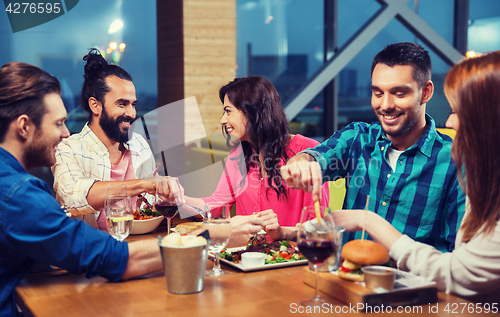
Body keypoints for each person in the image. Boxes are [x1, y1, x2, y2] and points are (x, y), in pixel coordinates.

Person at [332, 50, 500, 302]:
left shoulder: (457, 163)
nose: (450, 121)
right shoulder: (485, 179)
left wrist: (370, 221)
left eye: (457, 110)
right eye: (377, 92)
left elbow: (460, 274)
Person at [0, 62, 162, 317]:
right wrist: (205, 238)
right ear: (24, 127)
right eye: (58, 123)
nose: (66, 133)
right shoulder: (18, 193)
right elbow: (113, 258)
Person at [281, 42, 465, 252]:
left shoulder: (456, 161)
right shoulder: (358, 137)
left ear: (426, 92)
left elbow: (457, 256)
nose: (385, 105)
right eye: (378, 93)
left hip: (411, 284)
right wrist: (301, 164)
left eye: (399, 93)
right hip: (346, 280)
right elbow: (316, 157)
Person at [185, 76, 329, 243]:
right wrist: (177, 200)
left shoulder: (307, 152)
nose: (222, 120)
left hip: (290, 260)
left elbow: (319, 226)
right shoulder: (239, 154)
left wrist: (283, 232)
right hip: (246, 258)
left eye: (228, 111)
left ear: (251, 111)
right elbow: (217, 206)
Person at [52, 49, 157, 230]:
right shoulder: (68, 148)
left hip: (138, 243)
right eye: (122, 104)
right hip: (88, 254)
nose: (132, 114)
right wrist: (142, 185)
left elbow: (152, 206)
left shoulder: (139, 143)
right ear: (95, 105)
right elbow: (72, 197)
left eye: (133, 104)